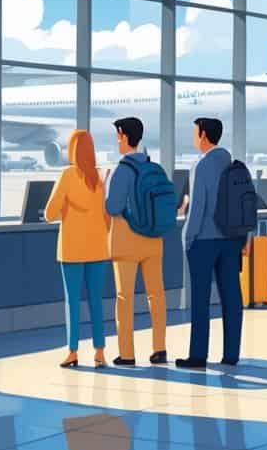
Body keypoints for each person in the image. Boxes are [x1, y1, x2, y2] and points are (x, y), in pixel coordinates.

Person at [177, 118, 243, 370]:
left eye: (196, 133)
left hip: (204, 240)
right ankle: (231, 354)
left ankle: (198, 355)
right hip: (231, 240)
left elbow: (198, 208)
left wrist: (187, 237)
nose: (195, 137)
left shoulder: (201, 165)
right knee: (231, 297)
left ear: (204, 135)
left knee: (200, 299)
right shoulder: (232, 164)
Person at [45, 130, 111, 368]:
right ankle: (100, 351)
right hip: (99, 248)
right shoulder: (100, 177)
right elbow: (107, 216)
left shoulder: (67, 175)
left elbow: (49, 213)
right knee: (96, 300)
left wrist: (65, 209)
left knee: (72, 302)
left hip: (72, 249)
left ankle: (73, 352)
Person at [104, 117, 167, 365]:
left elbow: (113, 207)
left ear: (123, 135)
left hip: (126, 242)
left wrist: (104, 185)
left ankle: (127, 353)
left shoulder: (121, 171)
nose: (117, 141)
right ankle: (159, 348)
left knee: (124, 297)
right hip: (153, 240)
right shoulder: (155, 168)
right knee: (156, 295)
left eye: (118, 136)